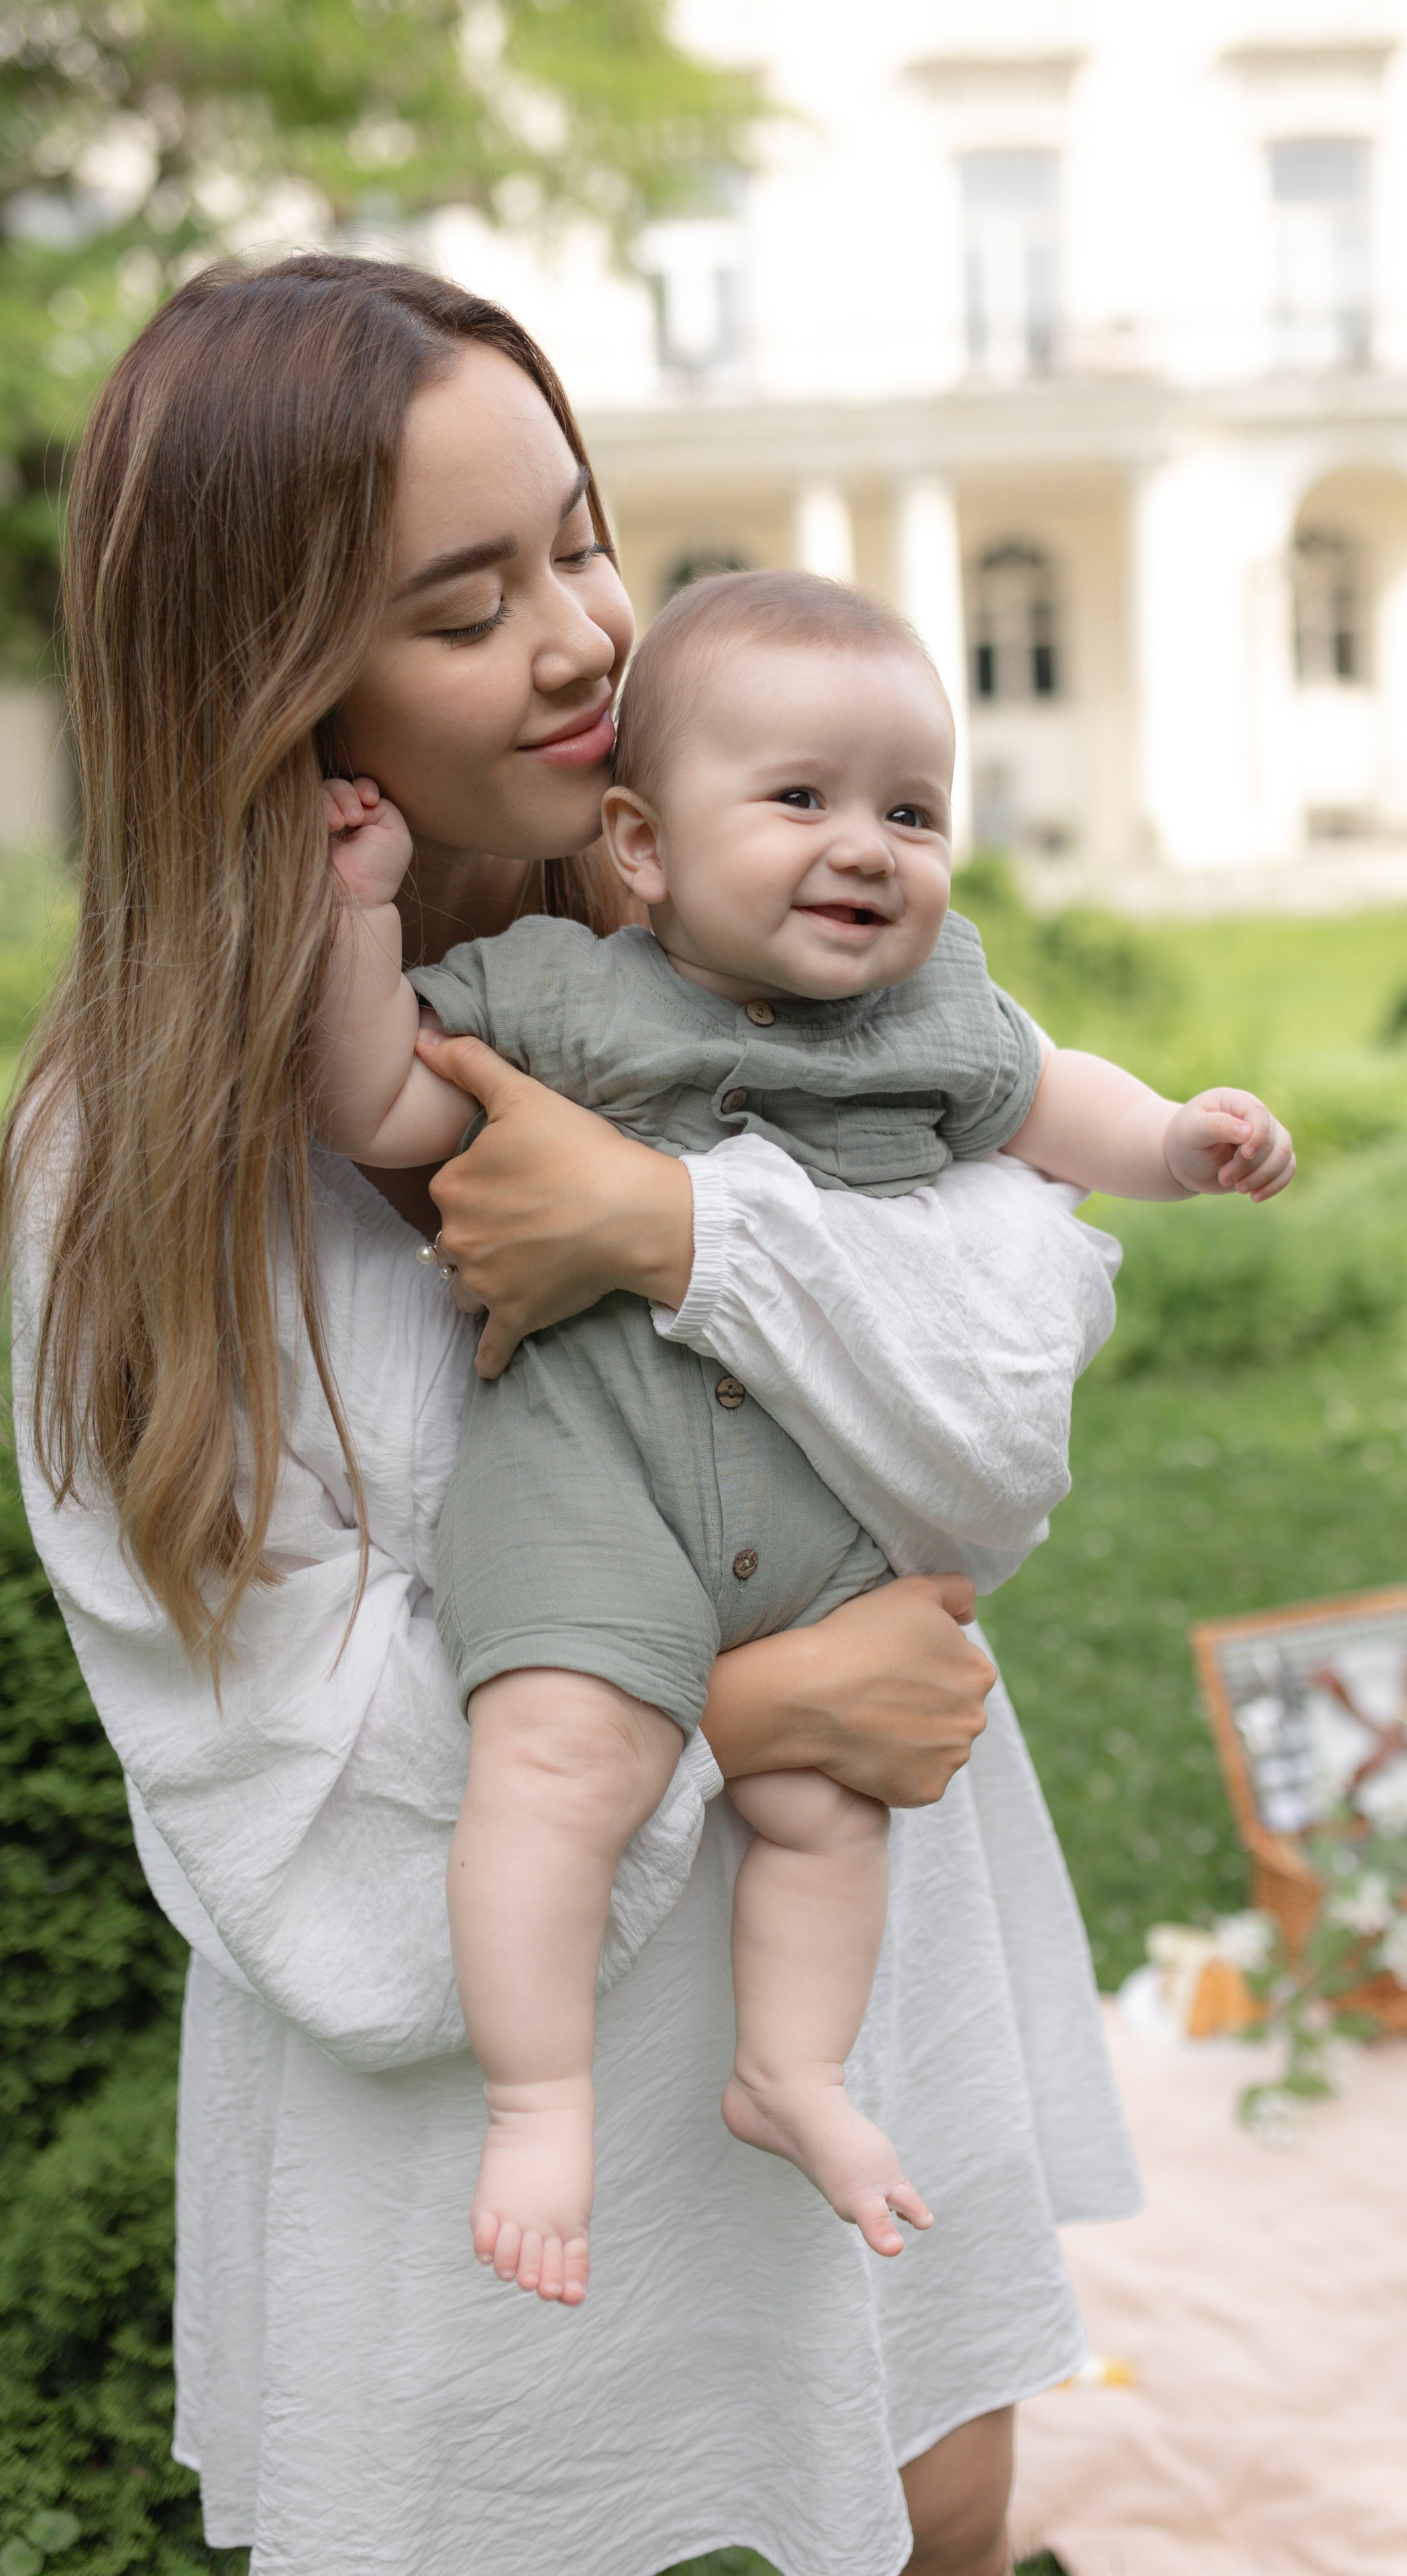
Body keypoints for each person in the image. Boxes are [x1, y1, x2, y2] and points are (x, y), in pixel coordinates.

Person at [3, 254, 1144, 2576]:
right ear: (270, 678)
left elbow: (997, 1427)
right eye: (465, 604)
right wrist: (748, 1707)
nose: (585, 639)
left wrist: (677, 1228)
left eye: (581, 541)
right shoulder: (126, 1179)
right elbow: (278, 1802)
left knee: (943, 2502)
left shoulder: (756, 947)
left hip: (858, 1997)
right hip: (497, 2161)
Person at [311, 564, 1294, 2303]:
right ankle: (540, 2101)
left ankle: (794, 2069)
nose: (868, 848)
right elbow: (380, 1096)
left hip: (820, 1522)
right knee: (556, 1765)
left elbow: (1058, 1103)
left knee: (830, 1814)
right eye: (800, 802)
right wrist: (354, 920)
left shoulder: (938, 1016)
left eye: (912, 812)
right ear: (641, 846)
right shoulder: (562, 994)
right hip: (597, 1483)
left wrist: (1178, 1140)